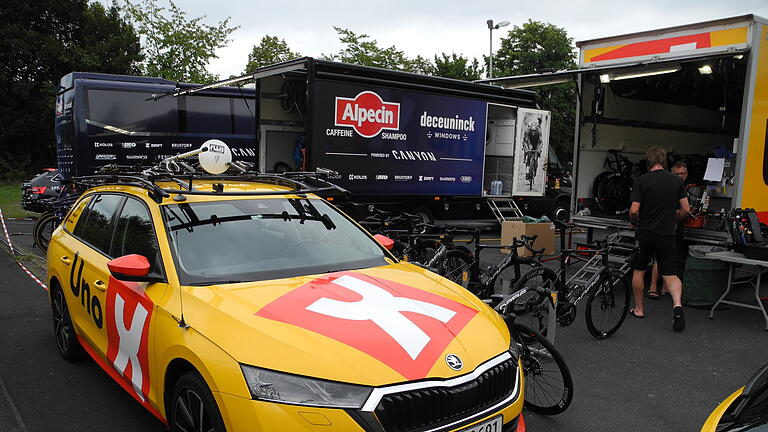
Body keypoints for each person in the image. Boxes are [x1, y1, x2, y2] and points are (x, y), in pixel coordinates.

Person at [628, 147, 690, 332]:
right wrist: (675, 219)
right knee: (670, 274)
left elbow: (633, 210)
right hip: (666, 234)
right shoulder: (675, 180)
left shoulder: (642, 181)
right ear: (664, 161)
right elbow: (686, 210)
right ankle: (677, 305)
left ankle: (639, 309)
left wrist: (634, 221)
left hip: (645, 233)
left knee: (639, 271)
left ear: (648, 161)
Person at [647, 161, 690, 299]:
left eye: (682, 174)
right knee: (661, 257)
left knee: (671, 258)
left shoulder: (684, 187)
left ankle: (665, 287)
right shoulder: (671, 187)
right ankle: (653, 286)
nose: (679, 176)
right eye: (676, 174)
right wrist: (678, 215)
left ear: (686, 174)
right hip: (666, 227)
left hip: (674, 227)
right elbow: (682, 210)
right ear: (671, 174)